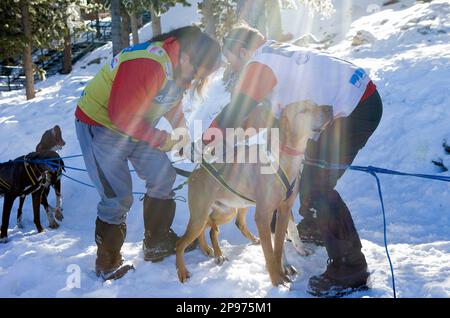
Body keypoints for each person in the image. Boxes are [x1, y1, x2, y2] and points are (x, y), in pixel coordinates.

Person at [211, 24, 383, 297]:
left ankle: (349, 269)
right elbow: (264, 119)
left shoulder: (259, 62)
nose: (233, 68)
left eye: (231, 61)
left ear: (243, 52)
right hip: (357, 99)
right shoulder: (277, 53)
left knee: (318, 184)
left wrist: (211, 136)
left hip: (355, 107)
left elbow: (237, 109)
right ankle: (315, 226)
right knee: (306, 169)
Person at [75, 26, 221, 280]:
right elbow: (120, 115)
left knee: (163, 175)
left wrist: (183, 135)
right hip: (100, 125)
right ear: (187, 57)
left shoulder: (179, 69)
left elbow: (170, 103)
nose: (195, 81)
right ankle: (107, 262)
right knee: (117, 196)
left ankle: (157, 241)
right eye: (197, 74)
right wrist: (162, 139)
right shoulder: (149, 62)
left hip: (134, 125)